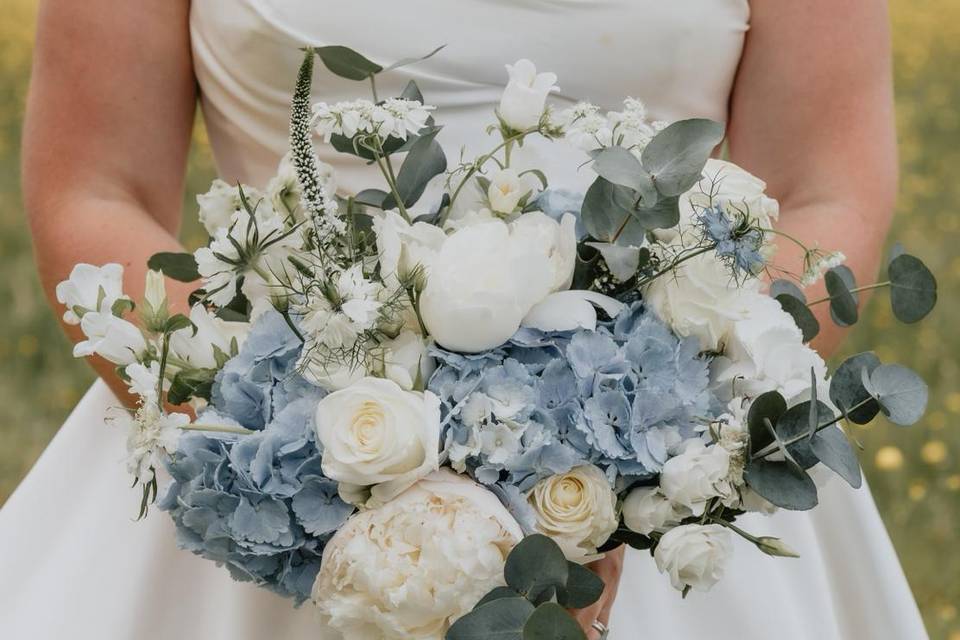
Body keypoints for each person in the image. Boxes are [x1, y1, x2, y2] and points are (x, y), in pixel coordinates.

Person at [0, 1, 928, 638]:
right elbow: (97, 190)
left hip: (668, 484)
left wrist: (616, 493)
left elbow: (820, 193)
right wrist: (354, 488)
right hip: (263, 460)